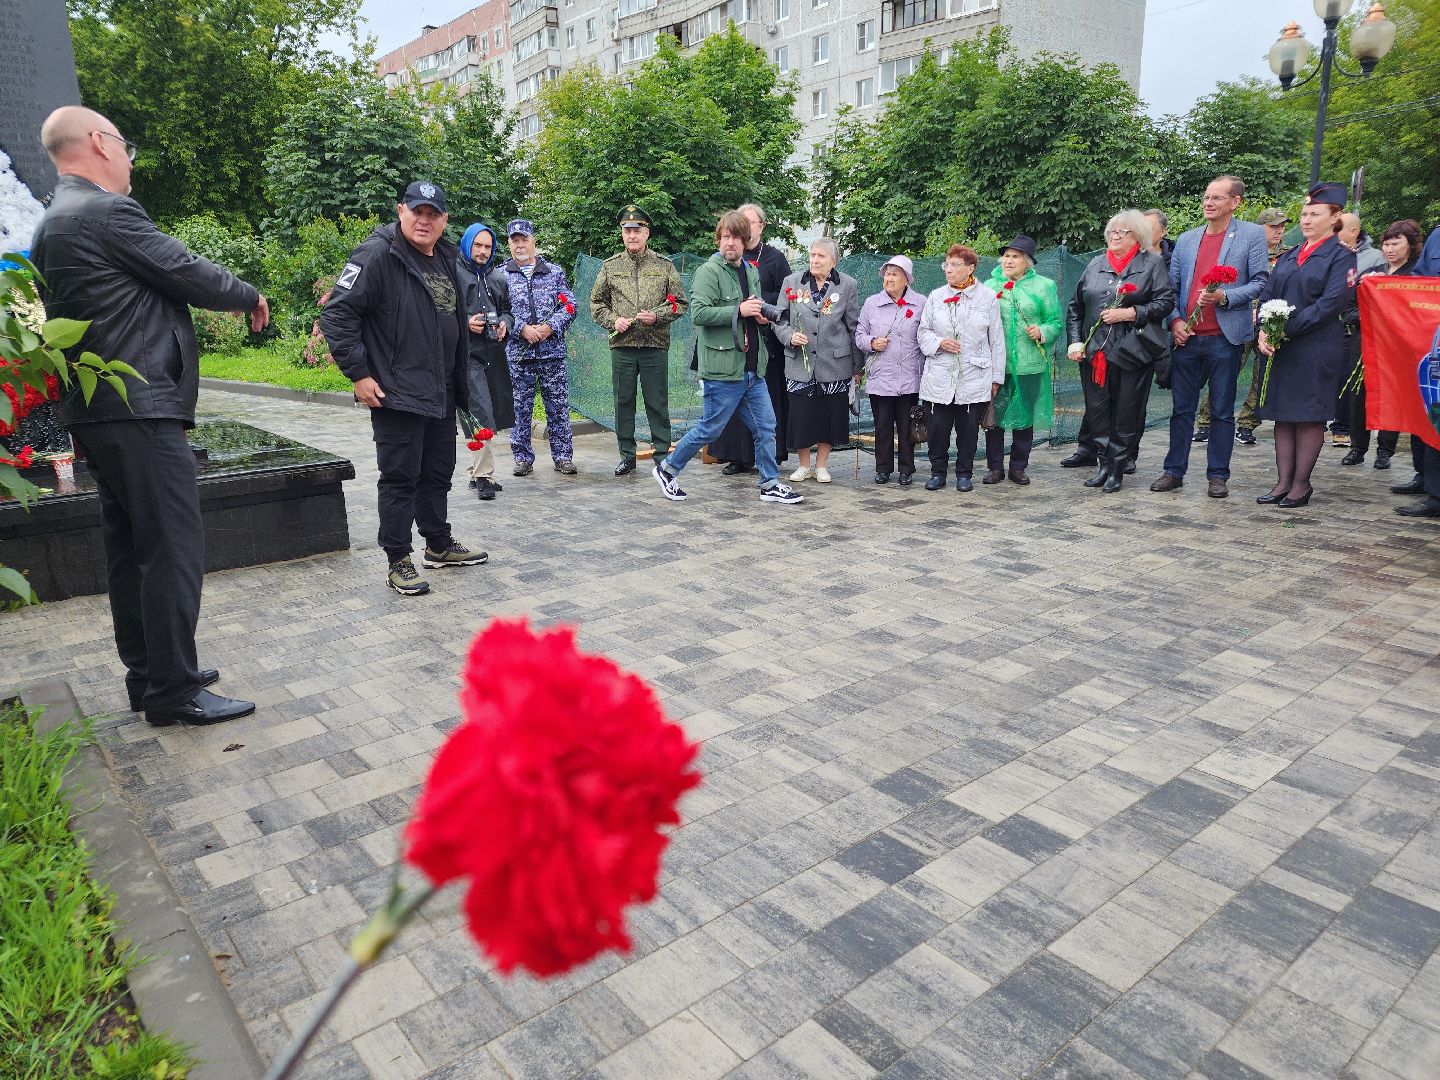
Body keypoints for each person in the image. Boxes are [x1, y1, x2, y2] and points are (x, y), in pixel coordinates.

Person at [31, 105, 266, 726]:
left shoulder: (53, 220)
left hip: (99, 410)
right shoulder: (106, 212)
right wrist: (250, 295)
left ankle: (153, 673)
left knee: (131, 546)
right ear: (101, 143)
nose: (130, 157)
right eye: (124, 143)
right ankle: (174, 692)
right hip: (139, 407)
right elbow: (187, 270)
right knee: (170, 548)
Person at [322, 181, 487, 596]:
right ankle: (398, 558)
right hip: (396, 392)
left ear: (445, 220)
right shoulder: (379, 255)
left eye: (433, 214)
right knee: (399, 478)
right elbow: (337, 315)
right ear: (401, 211)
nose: (424, 220)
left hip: (441, 390)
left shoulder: (448, 257)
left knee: (437, 473)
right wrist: (359, 374)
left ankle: (437, 543)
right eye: (417, 211)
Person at [651, 211, 801, 505]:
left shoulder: (750, 270)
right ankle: (667, 469)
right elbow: (700, 314)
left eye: (735, 237)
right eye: (724, 237)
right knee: (711, 427)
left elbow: (752, 306)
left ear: (745, 241)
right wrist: (739, 311)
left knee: (766, 427)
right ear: (719, 239)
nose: (729, 242)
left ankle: (769, 483)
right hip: (723, 368)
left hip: (752, 367)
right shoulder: (709, 271)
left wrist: (759, 315)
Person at [1151, 176, 1269, 500]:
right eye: (1206, 197)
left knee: (1220, 410)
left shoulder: (1251, 235)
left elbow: (1260, 281)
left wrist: (1225, 298)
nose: (1209, 203)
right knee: (1181, 410)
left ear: (1235, 202)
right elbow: (1170, 290)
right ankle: (1173, 471)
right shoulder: (1187, 240)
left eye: (1217, 198)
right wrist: (1174, 321)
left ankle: (1217, 476)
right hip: (1186, 339)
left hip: (1225, 338)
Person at [1254, 182, 1357, 508]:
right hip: (1283, 347)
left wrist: (1282, 329)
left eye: (1315, 214)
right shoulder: (1290, 256)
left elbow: (1329, 305)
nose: (1306, 220)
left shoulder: (1341, 258)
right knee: (1283, 416)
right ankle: (1282, 482)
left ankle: (1301, 485)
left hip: (1316, 347)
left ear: (1334, 216)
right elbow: (1268, 295)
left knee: (1309, 417)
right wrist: (1262, 330)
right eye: (1304, 214)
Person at [1066, 211, 1174, 494]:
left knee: (1126, 412)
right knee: (1098, 411)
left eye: (1122, 232)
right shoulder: (1095, 264)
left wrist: (1131, 312)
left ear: (1137, 235)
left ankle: (1117, 468)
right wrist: (1076, 342)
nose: (1115, 236)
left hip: (1132, 352)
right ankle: (1102, 464)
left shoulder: (1152, 264)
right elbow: (1075, 308)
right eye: (1112, 231)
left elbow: (1165, 302)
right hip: (1095, 354)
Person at [589, 205, 686, 477]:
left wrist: (657, 317)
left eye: (637, 230)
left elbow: (680, 304)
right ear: (622, 234)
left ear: (647, 233)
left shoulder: (664, 266)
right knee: (623, 401)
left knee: (657, 402)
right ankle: (627, 455)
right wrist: (613, 321)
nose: (632, 235)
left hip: (655, 344)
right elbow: (596, 303)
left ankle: (661, 456)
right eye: (627, 230)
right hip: (623, 346)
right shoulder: (610, 267)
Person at [708, 204, 792, 475]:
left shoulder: (775, 258)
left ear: (761, 226)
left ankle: (770, 456)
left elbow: (786, 296)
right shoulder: (725, 260)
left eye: (750, 222)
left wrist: (762, 307)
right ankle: (738, 456)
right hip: (733, 342)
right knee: (735, 402)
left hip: (765, 341)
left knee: (766, 403)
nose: (743, 228)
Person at [917, 244, 1006, 493]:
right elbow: (923, 333)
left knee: (968, 432)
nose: (949, 270)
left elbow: (996, 340)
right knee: (937, 430)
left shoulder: (987, 297)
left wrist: (996, 377)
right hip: (939, 375)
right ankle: (937, 472)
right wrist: (939, 342)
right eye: (947, 264)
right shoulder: (935, 296)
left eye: (955, 265)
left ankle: (964, 473)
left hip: (974, 375)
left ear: (971, 268)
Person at [775, 238, 863, 483]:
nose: (814, 260)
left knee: (830, 415)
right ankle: (804, 465)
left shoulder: (847, 285)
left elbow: (853, 326)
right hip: (798, 362)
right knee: (801, 416)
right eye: (812, 255)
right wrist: (790, 336)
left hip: (835, 362)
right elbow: (778, 319)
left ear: (834, 261)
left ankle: (822, 465)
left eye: (821, 256)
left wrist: (858, 367)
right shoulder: (792, 282)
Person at [983, 235, 1061, 485]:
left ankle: (1018, 466)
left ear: (1027, 262)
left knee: (1024, 416)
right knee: (994, 418)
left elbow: (1055, 322)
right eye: (1006, 255)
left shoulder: (1044, 286)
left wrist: (1042, 332)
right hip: (997, 365)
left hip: (1029, 365)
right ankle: (995, 467)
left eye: (1015, 256)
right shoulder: (989, 286)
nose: (1008, 260)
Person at [501, 218, 577, 476]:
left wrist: (550, 327)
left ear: (534, 242)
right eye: (515, 240)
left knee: (557, 406)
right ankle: (522, 458)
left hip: (551, 353)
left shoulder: (554, 272)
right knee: (520, 409)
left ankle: (563, 456)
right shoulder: (501, 275)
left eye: (524, 240)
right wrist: (522, 328)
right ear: (509, 244)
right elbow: (500, 312)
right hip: (518, 355)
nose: (520, 245)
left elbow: (569, 305)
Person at [1339, 215, 1411, 470]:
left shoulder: (1414, 276)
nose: (1390, 250)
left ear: (1410, 245)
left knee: (1392, 394)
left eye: (1396, 244)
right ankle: (1358, 446)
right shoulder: (1371, 274)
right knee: (1358, 394)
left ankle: (1385, 449)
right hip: (1364, 342)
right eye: (1387, 244)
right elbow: (1348, 308)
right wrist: (1371, 316)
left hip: (1397, 346)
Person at [855, 254, 926, 484]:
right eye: (887, 273)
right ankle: (883, 468)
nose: (889, 277)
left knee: (907, 427)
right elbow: (859, 336)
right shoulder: (871, 303)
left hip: (910, 377)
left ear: (907, 279)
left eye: (895, 274)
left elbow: (925, 336)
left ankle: (907, 469)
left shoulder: (921, 303)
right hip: (881, 376)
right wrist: (872, 342)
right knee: (882, 426)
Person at [456, 222, 512, 500]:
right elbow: (439, 313)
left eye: (487, 246)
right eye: (477, 245)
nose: (482, 251)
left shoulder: (498, 277)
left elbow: (507, 311)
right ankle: (483, 477)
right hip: (466, 355)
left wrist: (504, 324)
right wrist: (464, 323)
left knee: (492, 410)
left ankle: (475, 471)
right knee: (481, 412)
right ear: (467, 244)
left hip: (494, 355)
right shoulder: (454, 274)